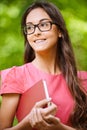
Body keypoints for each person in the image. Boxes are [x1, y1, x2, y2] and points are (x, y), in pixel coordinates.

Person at [0, 1, 87, 130]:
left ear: (60, 31)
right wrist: (27, 123)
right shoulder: (16, 76)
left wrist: (60, 128)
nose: (36, 32)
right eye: (30, 27)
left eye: (43, 24)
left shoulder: (82, 80)